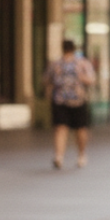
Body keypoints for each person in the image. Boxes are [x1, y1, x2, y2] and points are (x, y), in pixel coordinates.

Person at [44, 40, 96, 169]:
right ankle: (81, 155)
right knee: (80, 129)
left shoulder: (56, 64)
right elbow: (91, 80)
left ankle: (59, 156)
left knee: (61, 128)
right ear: (74, 49)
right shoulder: (82, 63)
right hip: (78, 100)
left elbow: (46, 80)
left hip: (60, 100)